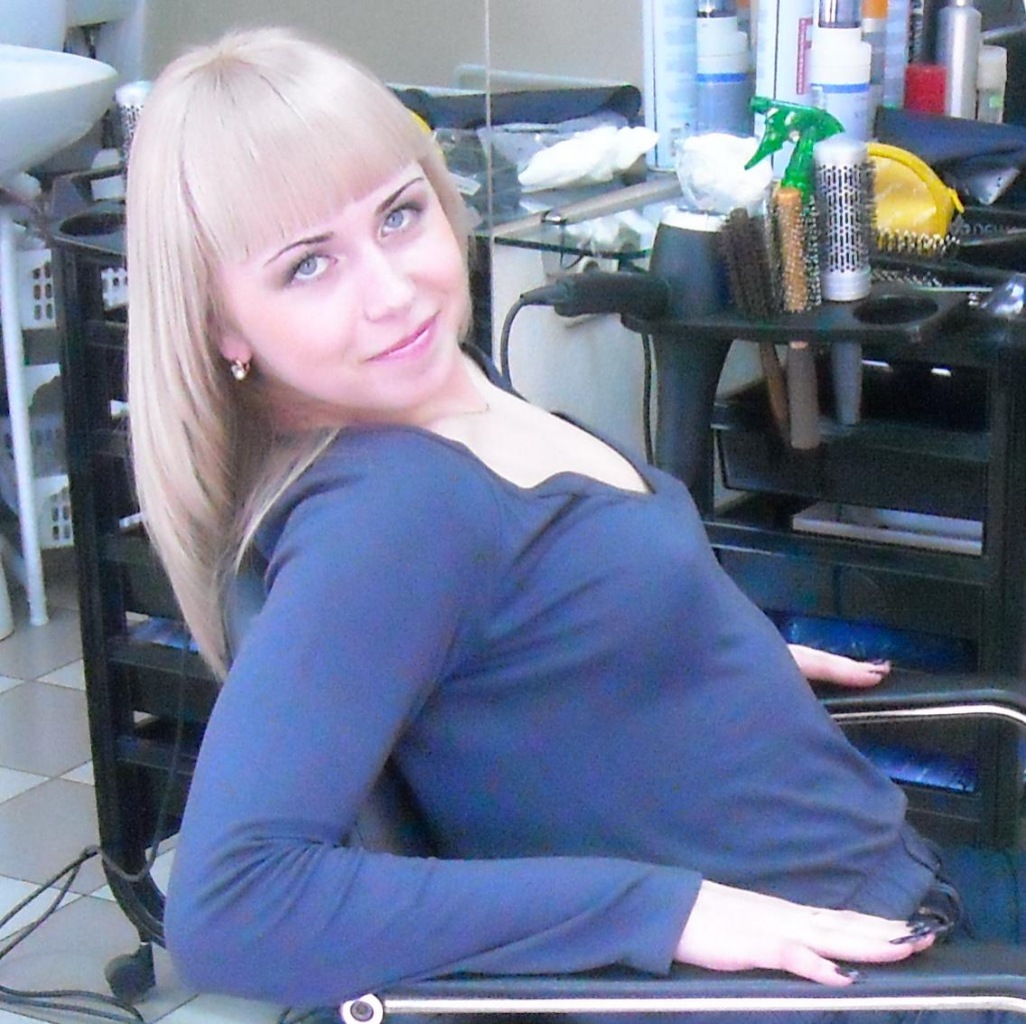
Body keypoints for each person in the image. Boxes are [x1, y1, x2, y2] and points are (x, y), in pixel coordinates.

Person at [125, 25, 1020, 1023]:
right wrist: (666, 912)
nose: (392, 291)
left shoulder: (439, 389)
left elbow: (525, 625)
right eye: (307, 267)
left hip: (891, 898)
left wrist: (691, 647)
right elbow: (232, 907)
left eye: (398, 215)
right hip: (858, 984)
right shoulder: (392, 511)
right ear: (221, 324)